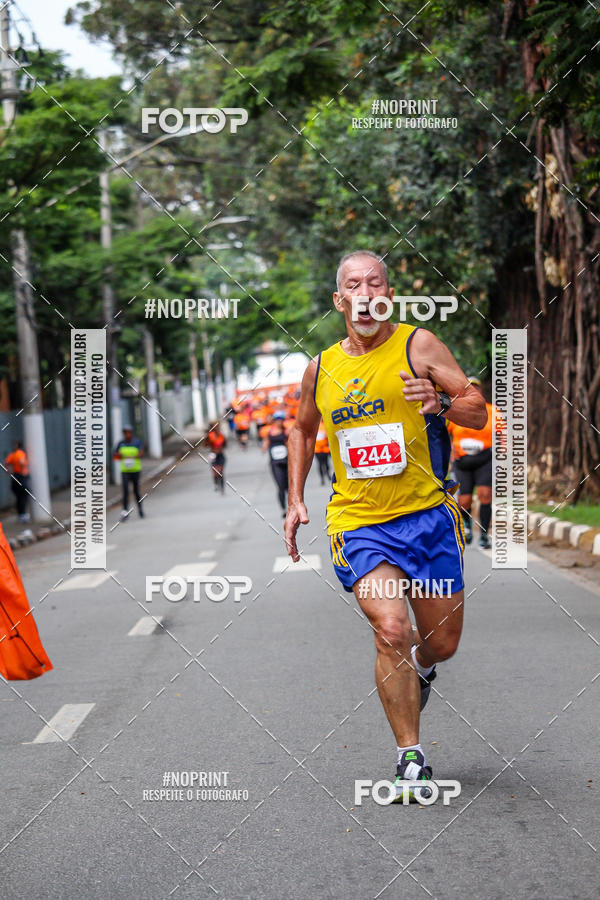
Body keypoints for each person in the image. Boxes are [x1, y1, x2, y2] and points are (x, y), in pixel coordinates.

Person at [285, 250, 487, 802]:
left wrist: (441, 401)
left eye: (376, 282)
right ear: (340, 300)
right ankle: (411, 758)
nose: (365, 291)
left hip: (428, 519)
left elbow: (478, 410)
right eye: (354, 284)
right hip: (361, 523)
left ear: (388, 296)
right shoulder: (321, 369)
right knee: (391, 629)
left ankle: (423, 668)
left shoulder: (417, 345)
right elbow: (301, 430)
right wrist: (296, 498)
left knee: (440, 642)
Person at [447, 376, 499, 550]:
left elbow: (503, 435)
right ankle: (467, 526)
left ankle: (484, 535)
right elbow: (443, 435)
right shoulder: (454, 412)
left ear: (481, 391)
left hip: (485, 459)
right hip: (462, 462)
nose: (474, 391)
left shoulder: (492, 411)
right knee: (464, 501)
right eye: (470, 388)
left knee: (485, 494)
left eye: (476, 388)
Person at [113, 425, 144, 519]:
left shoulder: (136, 442)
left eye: (129, 432)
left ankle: (140, 509)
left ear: (131, 433)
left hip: (135, 470)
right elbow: (115, 456)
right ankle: (125, 512)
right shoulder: (121, 443)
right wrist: (120, 455)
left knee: (136, 491)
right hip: (125, 471)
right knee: (125, 491)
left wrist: (133, 457)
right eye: (125, 433)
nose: (127, 434)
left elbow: (141, 453)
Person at [263, 412, 289, 516]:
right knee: (280, 486)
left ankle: (292, 507)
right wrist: (264, 447)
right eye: (277, 419)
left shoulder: (286, 431)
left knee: (289, 487)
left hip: (287, 462)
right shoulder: (269, 432)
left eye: (281, 419)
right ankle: (283, 509)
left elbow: (290, 443)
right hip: (275, 463)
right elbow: (266, 443)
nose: (279, 421)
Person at [4, 441, 30, 522]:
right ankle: (23, 515)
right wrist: (23, 471)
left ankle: (20, 515)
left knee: (19, 497)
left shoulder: (12, 455)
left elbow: (6, 463)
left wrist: (9, 471)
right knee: (23, 495)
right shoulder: (20, 453)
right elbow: (22, 462)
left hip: (15, 476)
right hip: (21, 476)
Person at [204, 422, 227, 493]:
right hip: (213, 454)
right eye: (215, 427)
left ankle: (222, 488)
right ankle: (216, 483)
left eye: (218, 427)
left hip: (220, 455)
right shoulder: (210, 435)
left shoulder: (221, 435)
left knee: (221, 471)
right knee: (215, 472)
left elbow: (225, 444)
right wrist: (208, 440)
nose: (217, 428)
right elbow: (205, 445)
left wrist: (220, 447)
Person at [314, 420, 331, 485]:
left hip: (325, 448)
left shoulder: (325, 425)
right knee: (320, 464)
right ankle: (322, 479)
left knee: (326, 463)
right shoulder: (314, 426)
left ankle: (327, 473)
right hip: (317, 449)